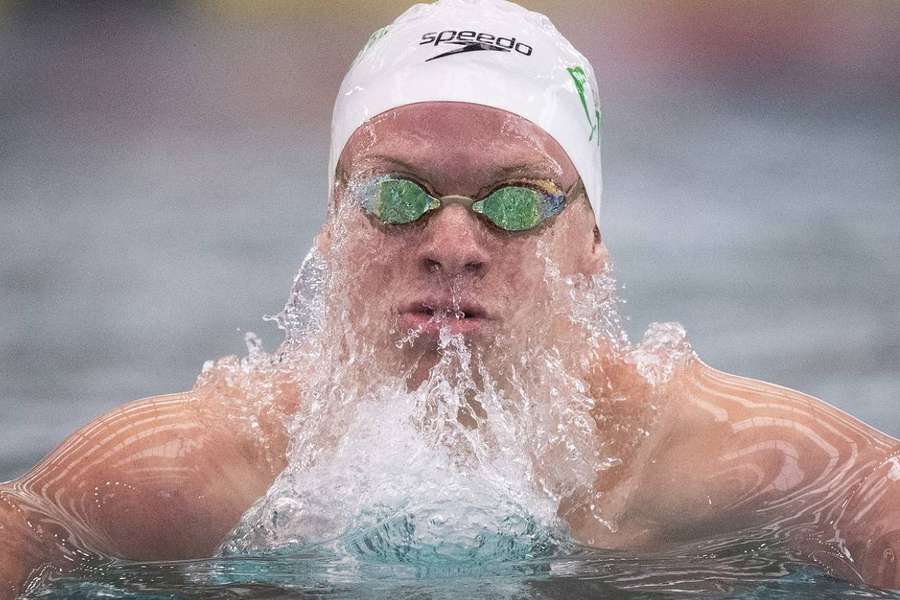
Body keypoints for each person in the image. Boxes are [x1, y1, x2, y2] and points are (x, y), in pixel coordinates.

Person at [1, 0, 897, 596]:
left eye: (516, 201)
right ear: (329, 228)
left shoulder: (750, 462)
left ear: (592, 245)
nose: (453, 247)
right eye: (395, 197)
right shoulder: (180, 473)